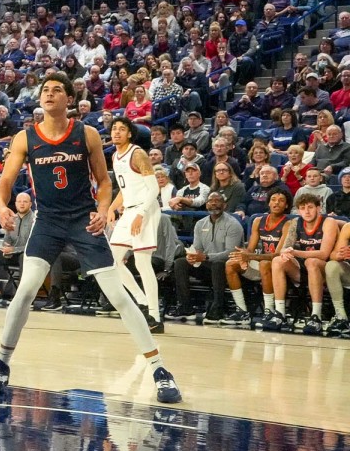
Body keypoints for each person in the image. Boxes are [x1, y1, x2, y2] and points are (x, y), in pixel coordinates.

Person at [0, 71, 181, 404]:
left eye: (57, 90)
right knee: (26, 290)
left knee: (118, 294)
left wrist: (104, 211)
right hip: (47, 222)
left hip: (82, 221)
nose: (49, 94)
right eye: (45, 90)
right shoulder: (24, 138)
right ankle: (1, 363)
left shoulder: (86, 134)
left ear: (69, 100)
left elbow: (104, 183)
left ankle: (160, 370)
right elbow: (4, 184)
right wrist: (2, 206)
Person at [107, 116, 164, 333]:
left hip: (145, 209)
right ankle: (141, 301)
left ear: (130, 133)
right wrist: (112, 208)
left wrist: (141, 213)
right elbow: (125, 188)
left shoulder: (137, 153)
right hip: (129, 210)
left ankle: (155, 316)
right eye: (114, 129)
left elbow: (153, 189)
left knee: (142, 263)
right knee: (112, 261)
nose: (117, 132)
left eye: (122, 129)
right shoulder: (115, 155)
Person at [164, 192, 243, 323]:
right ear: (206, 205)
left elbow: (231, 252)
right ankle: (186, 308)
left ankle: (217, 308)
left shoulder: (233, 224)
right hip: (206, 265)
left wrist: (205, 257)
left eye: (217, 201)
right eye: (210, 201)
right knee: (180, 263)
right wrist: (192, 256)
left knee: (218, 264)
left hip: (227, 267)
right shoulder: (200, 224)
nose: (213, 203)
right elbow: (197, 248)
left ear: (225, 205)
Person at [267, 191, 338, 334]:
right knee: (277, 261)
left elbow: (324, 254)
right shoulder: (295, 222)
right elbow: (286, 248)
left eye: (310, 207)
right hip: (303, 269)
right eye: (303, 208)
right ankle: (280, 314)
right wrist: (287, 254)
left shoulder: (328, 222)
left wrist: (296, 253)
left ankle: (315, 316)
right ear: (298, 210)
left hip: (325, 271)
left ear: (319, 208)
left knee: (312, 262)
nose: (307, 211)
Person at [224, 189, 290, 328]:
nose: (276, 203)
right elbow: (250, 249)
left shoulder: (288, 224)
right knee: (231, 264)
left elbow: (277, 255)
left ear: (286, 206)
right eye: (273, 199)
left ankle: (270, 310)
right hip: (262, 263)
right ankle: (242, 311)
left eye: (281, 200)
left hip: (281, 266)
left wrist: (250, 256)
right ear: (268, 203)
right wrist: (243, 255)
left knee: (265, 263)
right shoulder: (258, 221)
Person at [0, 192, 33, 306]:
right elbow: (6, 240)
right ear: (15, 204)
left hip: (28, 255)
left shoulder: (34, 221)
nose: (22, 204)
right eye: (19, 201)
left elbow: (32, 245)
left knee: (23, 257)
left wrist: (13, 250)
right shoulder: (12, 219)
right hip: (12, 255)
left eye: (25, 202)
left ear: (30, 204)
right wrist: (6, 248)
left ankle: (21, 295)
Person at [323, 221, 350, 337]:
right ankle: (341, 317)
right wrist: (340, 255)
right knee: (331, 266)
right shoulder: (348, 227)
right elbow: (333, 254)